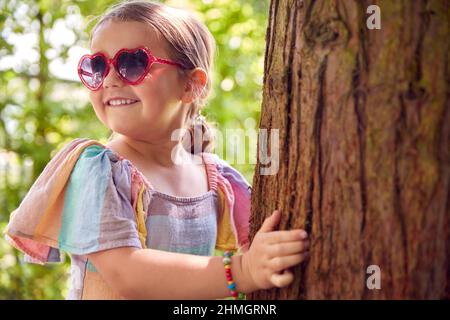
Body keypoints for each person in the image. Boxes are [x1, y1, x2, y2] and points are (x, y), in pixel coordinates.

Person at [4, 0, 309, 300]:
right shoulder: (99, 170)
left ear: (191, 85)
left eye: (132, 64)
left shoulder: (217, 179)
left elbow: (259, 244)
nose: (110, 79)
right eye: (97, 66)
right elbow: (127, 274)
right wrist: (242, 272)